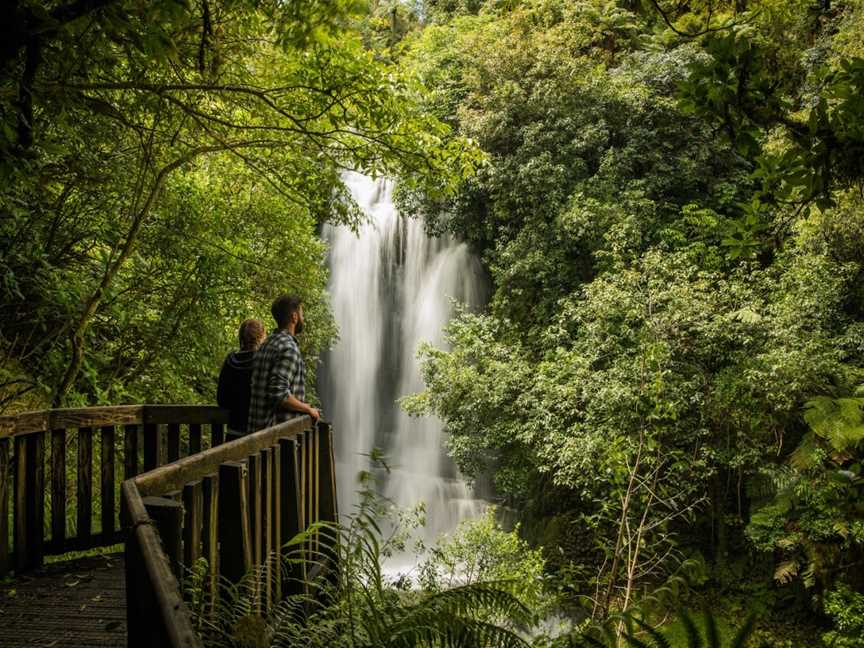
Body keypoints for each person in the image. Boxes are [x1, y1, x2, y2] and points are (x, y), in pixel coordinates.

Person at [247, 295, 320, 432]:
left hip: (257, 437)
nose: (303, 319)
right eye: (301, 314)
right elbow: (279, 393)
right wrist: (308, 409)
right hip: (275, 442)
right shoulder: (288, 348)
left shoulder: (266, 344)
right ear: (294, 317)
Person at [217, 318, 265, 438]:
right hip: (257, 432)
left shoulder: (230, 360)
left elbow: (221, 399)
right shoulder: (263, 360)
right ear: (262, 336)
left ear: (241, 337)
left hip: (233, 430)